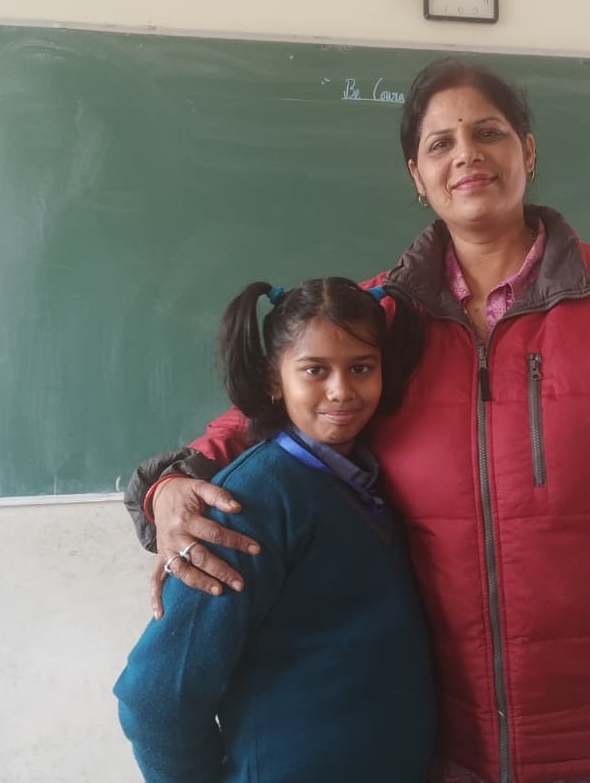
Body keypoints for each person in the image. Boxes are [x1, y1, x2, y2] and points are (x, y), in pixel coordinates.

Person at [124, 59, 590, 783]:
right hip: (448, 742)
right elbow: (270, 414)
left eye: (488, 133)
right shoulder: (379, 322)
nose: (466, 154)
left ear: (527, 150)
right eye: (440, 143)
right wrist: (173, 483)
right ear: (418, 175)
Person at [115, 277, 436, 782]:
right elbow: (156, 697)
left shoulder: (368, 477)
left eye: (361, 368)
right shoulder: (249, 501)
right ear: (273, 379)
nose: (342, 391)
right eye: (314, 370)